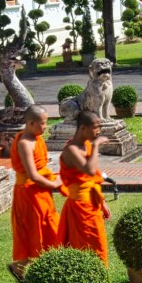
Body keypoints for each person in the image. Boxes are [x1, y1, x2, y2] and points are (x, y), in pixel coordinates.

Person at [9, 105, 63, 283]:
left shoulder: (37, 138)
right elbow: (32, 174)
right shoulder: (24, 143)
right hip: (29, 194)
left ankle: (24, 267)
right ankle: (22, 267)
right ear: (31, 123)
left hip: (41, 192)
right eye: (43, 123)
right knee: (37, 233)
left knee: (51, 230)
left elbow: (41, 167)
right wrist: (54, 184)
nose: (45, 127)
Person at [58, 110, 110, 265]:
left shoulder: (86, 144)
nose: (98, 131)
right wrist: (96, 147)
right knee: (83, 246)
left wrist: (102, 202)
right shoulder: (71, 149)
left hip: (92, 204)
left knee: (98, 244)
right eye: (95, 127)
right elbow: (89, 170)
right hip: (79, 207)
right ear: (82, 128)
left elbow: (92, 179)